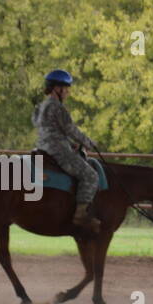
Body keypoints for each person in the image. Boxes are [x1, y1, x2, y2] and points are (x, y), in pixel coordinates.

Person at [33, 69, 102, 233]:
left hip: (42, 147)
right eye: (66, 88)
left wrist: (71, 144)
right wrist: (88, 142)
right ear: (57, 88)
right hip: (58, 151)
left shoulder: (40, 107)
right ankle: (80, 216)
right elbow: (70, 129)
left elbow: (49, 130)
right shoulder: (57, 107)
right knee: (91, 176)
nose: (67, 92)